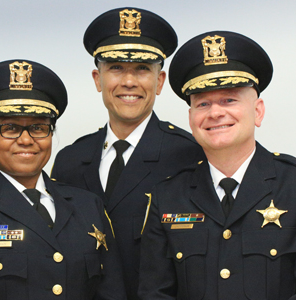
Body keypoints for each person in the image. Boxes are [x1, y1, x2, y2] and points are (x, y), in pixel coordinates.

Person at [0, 59, 127, 300]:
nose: (26, 139)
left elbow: (112, 292)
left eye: (38, 127)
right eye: (10, 128)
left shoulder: (88, 205)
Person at [51, 7, 204, 299]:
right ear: (98, 79)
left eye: (143, 69)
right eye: (116, 67)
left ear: (160, 82)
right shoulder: (70, 160)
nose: (129, 81)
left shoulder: (189, 155)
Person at [138, 31, 296, 299]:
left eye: (229, 99)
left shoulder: (292, 184)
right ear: (191, 118)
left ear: (258, 111)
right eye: (203, 103)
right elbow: (155, 293)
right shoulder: (167, 197)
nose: (215, 113)